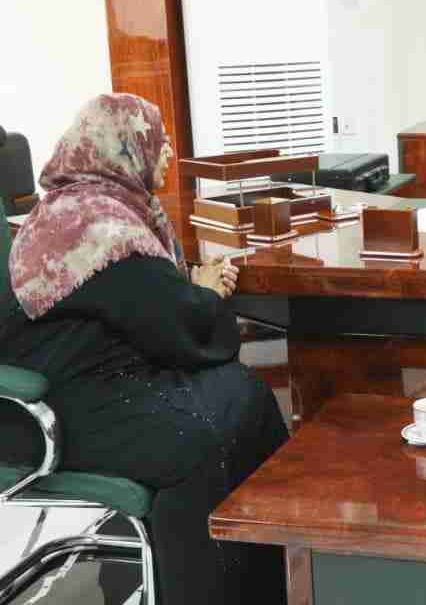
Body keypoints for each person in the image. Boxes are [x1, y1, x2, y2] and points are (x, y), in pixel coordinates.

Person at [0, 94, 288, 605]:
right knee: (203, 434)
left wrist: (189, 290)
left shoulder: (85, 208)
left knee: (243, 397)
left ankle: (261, 584)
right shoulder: (96, 227)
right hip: (54, 410)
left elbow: (148, 302)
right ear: (123, 149)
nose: (169, 152)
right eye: (158, 140)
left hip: (89, 380)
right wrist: (205, 294)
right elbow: (176, 325)